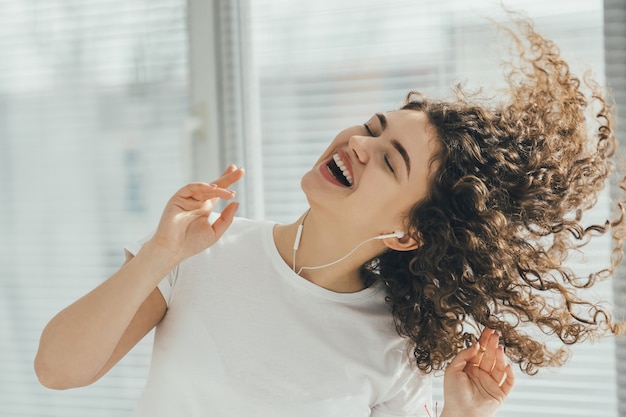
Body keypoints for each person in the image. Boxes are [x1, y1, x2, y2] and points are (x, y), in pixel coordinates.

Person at [34, 16, 623, 417]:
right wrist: (160, 255)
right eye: (372, 127)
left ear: (410, 232)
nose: (359, 144)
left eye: (389, 160)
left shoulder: (396, 350)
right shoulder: (201, 248)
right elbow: (57, 371)